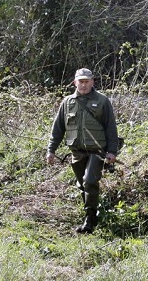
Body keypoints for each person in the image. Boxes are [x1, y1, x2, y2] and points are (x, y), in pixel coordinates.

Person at [46, 68, 119, 234]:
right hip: (77, 152)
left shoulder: (102, 101)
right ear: (75, 83)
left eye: (87, 81)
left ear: (92, 82)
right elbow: (57, 128)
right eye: (81, 81)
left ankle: (90, 219)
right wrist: (51, 150)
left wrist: (112, 151)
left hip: (97, 152)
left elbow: (111, 128)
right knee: (82, 186)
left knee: (89, 181)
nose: (84, 85)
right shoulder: (67, 102)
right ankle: (92, 214)